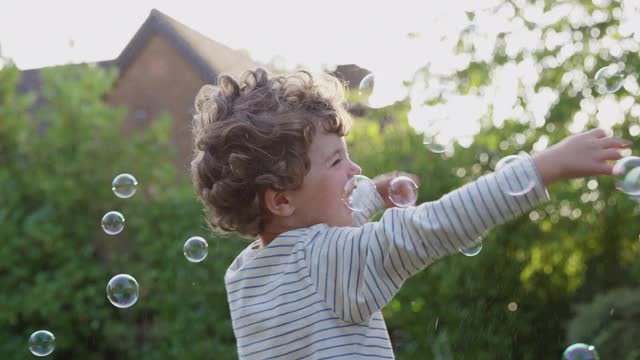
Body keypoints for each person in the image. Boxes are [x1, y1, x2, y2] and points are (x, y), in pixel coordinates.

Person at [190, 67, 631, 359]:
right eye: (336, 161)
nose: (356, 169)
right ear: (281, 200)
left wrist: (371, 196)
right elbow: (431, 228)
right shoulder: (325, 261)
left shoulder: (246, 274)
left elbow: (325, 237)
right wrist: (544, 167)